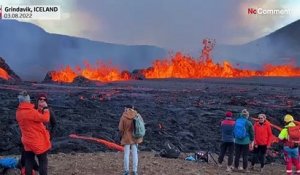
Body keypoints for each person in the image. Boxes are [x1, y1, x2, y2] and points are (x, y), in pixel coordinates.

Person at [20, 93, 56, 174]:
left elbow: (54, 124)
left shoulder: (49, 111)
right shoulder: (33, 110)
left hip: (41, 139)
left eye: (44, 100)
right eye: (40, 99)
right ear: (37, 100)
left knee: (38, 159)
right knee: (34, 159)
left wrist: (51, 136)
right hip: (32, 139)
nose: (42, 101)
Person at [118, 105, 143, 175]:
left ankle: (126, 171)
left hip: (126, 137)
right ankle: (135, 171)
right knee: (135, 154)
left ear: (126, 108)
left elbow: (120, 128)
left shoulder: (123, 116)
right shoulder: (137, 115)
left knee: (126, 154)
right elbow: (141, 125)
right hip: (135, 137)